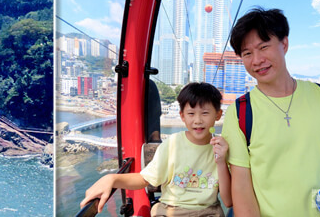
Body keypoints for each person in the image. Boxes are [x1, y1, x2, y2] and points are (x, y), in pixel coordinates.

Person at [224, 8, 320, 216]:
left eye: (263, 47)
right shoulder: (240, 112)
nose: (256, 60)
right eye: (247, 53)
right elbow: (241, 187)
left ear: (284, 44)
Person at [81, 82, 232, 216]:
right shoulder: (172, 144)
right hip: (170, 210)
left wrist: (220, 162)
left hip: (207, 211)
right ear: (182, 116)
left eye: (205, 113)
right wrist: (111, 179)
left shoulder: (221, 147)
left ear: (218, 115)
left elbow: (228, 201)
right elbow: (144, 179)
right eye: (191, 113)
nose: (198, 120)